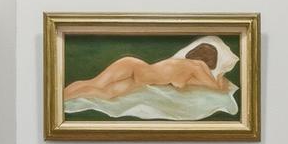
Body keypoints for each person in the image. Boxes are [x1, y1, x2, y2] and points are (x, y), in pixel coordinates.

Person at [62, 37, 235, 104]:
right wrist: (221, 76)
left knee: (104, 93)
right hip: (135, 68)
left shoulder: (184, 68)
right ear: (208, 60)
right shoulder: (198, 66)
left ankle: (62, 97)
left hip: (139, 79)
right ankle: (59, 96)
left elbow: (180, 83)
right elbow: (213, 86)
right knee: (96, 84)